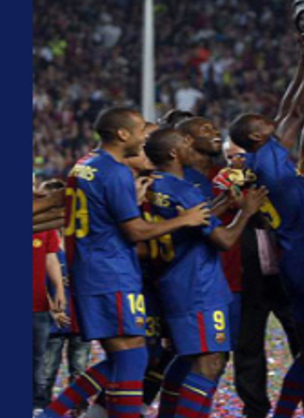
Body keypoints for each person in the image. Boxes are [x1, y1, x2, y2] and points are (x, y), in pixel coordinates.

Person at [43, 107, 210, 418]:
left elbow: (94, 214)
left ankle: (55, 414)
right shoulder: (115, 172)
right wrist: (184, 219)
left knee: (126, 358)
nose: (145, 140)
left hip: (93, 269)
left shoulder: (83, 165)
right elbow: (135, 231)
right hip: (111, 272)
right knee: (133, 357)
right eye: (141, 131)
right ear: (123, 134)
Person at [143, 128, 267, 418]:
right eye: (186, 144)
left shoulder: (153, 186)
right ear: (173, 153)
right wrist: (246, 212)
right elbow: (223, 240)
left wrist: (223, 202)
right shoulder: (184, 190)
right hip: (197, 284)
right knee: (210, 362)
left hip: (173, 279)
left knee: (188, 358)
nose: (192, 149)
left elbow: (196, 220)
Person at [228, 112, 304, 418]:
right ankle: (256, 409)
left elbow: (298, 125)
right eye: (230, 159)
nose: (236, 162)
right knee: (251, 346)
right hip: (257, 272)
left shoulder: (268, 171)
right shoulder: (256, 172)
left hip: (284, 267)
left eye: (238, 157)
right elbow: (295, 118)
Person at [39, 180, 93, 415]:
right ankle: (41, 408)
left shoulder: (82, 235)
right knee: (46, 370)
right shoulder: (40, 234)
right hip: (52, 317)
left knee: (79, 369)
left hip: (81, 316)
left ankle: (78, 410)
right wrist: (52, 308)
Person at [33, 201, 67, 414]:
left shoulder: (46, 227)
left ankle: (37, 404)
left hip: (38, 305)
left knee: (38, 359)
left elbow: (51, 258)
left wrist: (59, 289)